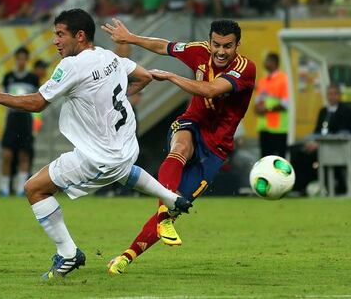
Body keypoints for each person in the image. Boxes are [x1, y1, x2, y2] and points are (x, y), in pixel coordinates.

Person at [0, 8, 192, 280]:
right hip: (126, 149)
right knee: (123, 170)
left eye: (60, 34)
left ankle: (68, 254)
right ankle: (172, 199)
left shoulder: (72, 65)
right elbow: (144, 76)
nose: (55, 40)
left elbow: (38, 103)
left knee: (34, 189)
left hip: (96, 157)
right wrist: (117, 99)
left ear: (79, 36)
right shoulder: (109, 56)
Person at [101, 18, 256, 274]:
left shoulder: (245, 68)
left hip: (216, 148)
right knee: (180, 148)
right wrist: (130, 38)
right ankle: (164, 213)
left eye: (227, 46)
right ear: (209, 41)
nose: (220, 51)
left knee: (176, 209)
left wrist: (172, 76)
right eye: (216, 44)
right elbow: (166, 47)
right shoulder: (200, 51)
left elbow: (210, 91)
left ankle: (126, 257)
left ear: (237, 45)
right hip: (192, 123)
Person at [290, 84, 351, 194]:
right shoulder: (323, 111)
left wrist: (320, 143)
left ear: (339, 95)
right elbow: (317, 131)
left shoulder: (346, 111)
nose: (332, 97)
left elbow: (345, 133)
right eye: (329, 94)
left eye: (334, 94)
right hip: (319, 145)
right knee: (295, 150)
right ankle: (298, 187)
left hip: (337, 148)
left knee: (308, 157)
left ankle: (335, 186)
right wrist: (310, 141)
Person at [0, 46, 39, 197]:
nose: (21, 61)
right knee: (7, 154)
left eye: (24, 58)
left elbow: (37, 100)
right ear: (16, 59)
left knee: (24, 153)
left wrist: (36, 125)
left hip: (26, 118)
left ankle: (20, 188)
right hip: (12, 118)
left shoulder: (32, 78)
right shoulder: (8, 76)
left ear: (27, 60)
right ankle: (4, 188)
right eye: (19, 58)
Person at [254, 52, 289, 158]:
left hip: (279, 129)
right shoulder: (262, 81)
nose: (265, 63)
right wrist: (257, 108)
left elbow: (285, 104)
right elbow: (257, 103)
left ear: (275, 63)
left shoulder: (284, 79)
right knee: (265, 159)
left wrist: (266, 109)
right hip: (264, 128)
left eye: (267, 61)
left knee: (279, 160)